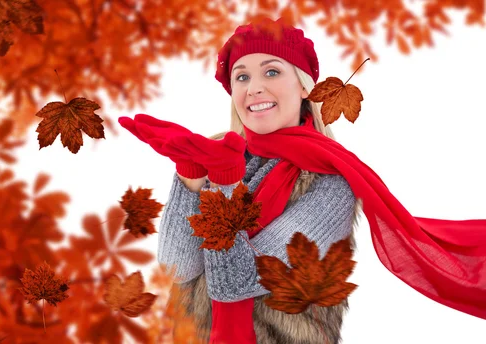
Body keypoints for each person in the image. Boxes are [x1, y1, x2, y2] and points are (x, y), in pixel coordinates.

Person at [119, 17, 486, 344]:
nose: (254, 87)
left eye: (272, 71)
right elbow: (178, 269)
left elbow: (237, 284)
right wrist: (189, 173)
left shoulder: (331, 184)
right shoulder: (213, 153)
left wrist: (225, 182)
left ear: (306, 85)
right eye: (242, 76)